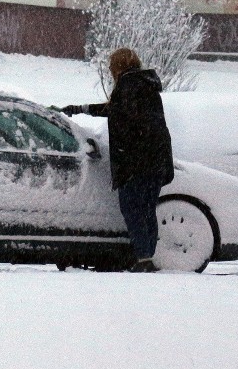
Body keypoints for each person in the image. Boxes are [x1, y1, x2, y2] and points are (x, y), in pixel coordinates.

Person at [60, 48, 174, 272]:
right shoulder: (145, 85)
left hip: (137, 164)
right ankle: (147, 256)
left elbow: (121, 115)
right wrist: (82, 109)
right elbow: (117, 111)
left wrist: (128, 158)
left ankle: (143, 258)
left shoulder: (128, 86)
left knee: (133, 209)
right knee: (147, 210)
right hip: (156, 161)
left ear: (117, 67)